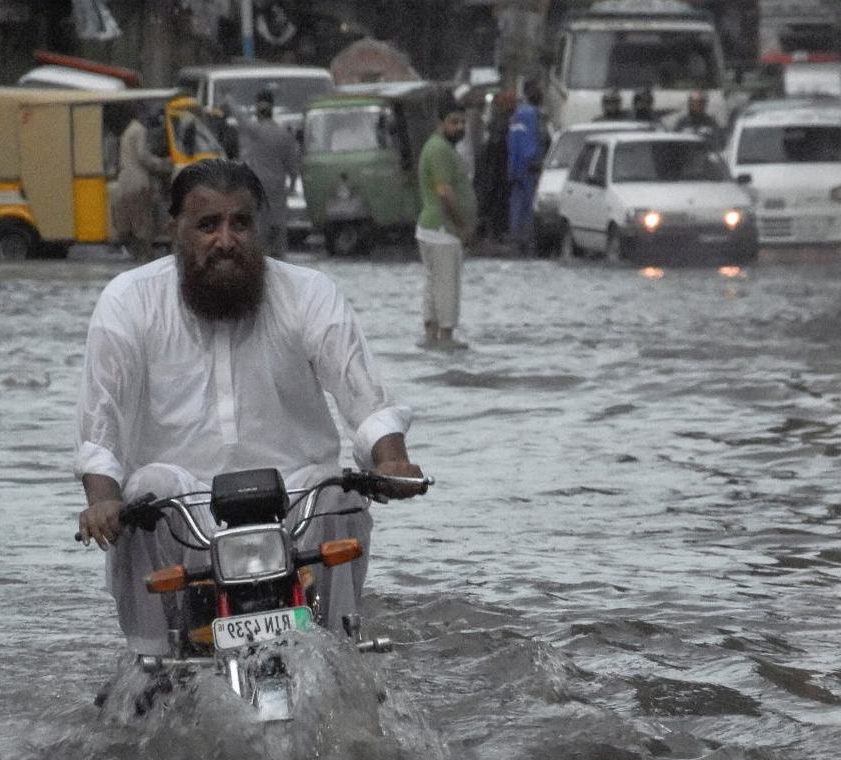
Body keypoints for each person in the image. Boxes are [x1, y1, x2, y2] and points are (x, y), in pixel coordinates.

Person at [74, 159, 429, 657]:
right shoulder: (128, 302)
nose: (226, 240)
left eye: (240, 223)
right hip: (184, 517)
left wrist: (391, 462)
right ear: (174, 229)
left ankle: (340, 653)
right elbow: (100, 433)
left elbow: (366, 399)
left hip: (294, 508)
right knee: (145, 492)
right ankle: (151, 663)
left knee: (342, 494)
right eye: (207, 225)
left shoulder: (310, 294)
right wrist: (103, 501)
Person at [417, 105, 476, 349]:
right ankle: (447, 338)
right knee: (447, 287)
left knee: (433, 284)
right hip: (443, 230)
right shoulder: (440, 150)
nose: (460, 127)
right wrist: (462, 225)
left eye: (463, 122)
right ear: (441, 122)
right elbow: (444, 191)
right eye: (454, 122)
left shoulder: (438, 147)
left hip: (431, 229)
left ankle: (431, 336)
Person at [234, 87, 302, 257]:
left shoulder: (255, 131)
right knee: (279, 231)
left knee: (259, 233)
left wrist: (227, 99)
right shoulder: (284, 135)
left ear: (258, 108)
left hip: (257, 190)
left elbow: (240, 118)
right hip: (278, 190)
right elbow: (293, 168)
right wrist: (291, 187)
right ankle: (279, 263)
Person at [109, 107, 172, 260]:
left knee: (132, 222)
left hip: (125, 181)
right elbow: (143, 156)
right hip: (139, 181)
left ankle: (136, 256)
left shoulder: (128, 130)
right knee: (144, 223)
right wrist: (162, 163)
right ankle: (145, 259)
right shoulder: (140, 130)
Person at [506, 81, 545, 254]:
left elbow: (513, 141)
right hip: (529, 169)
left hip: (515, 167)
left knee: (517, 206)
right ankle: (527, 242)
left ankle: (517, 240)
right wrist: (536, 162)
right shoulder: (532, 115)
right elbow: (531, 143)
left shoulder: (517, 115)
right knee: (529, 207)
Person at [477, 88, 515, 244]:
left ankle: (492, 231)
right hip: (498, 172)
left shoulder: (496, 122)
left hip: (494, 172)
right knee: (497, 202)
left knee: (493, 201)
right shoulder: (503, 123)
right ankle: (495, 232)